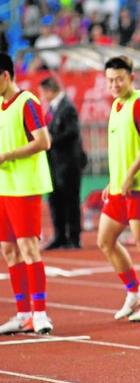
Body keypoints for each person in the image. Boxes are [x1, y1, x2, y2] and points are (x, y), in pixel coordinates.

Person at [97, 55, 140, 321]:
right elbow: (122, 149)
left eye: (119, 79)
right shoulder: (116, 105)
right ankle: (135, 291)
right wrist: (112, 181)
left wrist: (129, 176)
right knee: (105, 240)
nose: (114, 84)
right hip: (120, 187)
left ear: (131, 78)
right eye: (110, 80)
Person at [0, 53, 54, 334]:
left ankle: (40, 313)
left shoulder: (27, 102)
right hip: (4, 188)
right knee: (9, 251)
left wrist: (8, 155)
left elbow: (44, 141)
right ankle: (22, 314)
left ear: (6, 76)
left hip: (26, 187)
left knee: (28, 249)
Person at [39, 76, 86, 250]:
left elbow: (72, 132)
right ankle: (59, 236)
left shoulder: (68, 107)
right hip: (53, 163)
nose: (42, 96)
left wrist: (50, 140)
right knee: (55, 200)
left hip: (69, 163)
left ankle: (73, 237)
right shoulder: (53, 108)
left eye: (43, 92)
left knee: (71, 200)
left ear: (49, 90)